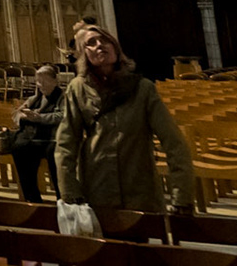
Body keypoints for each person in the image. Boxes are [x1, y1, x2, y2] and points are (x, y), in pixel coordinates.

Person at [56, 24, 195, 213]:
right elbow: (66, 144)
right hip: (98, 190)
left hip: (139, 190)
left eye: (105, 40)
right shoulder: (77, 89)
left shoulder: (142, 88)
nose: (100, 45)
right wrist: (70, 193)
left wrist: (182, 197)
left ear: (116, 47)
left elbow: (173, 142)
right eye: (91, 43)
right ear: (83, 54)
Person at [9, 65, 64, 202]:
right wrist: (22, 116)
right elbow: (16, 114)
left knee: (55, 153)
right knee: (19, 148)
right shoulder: (34, 98)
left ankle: (61, 198)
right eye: (38, 82)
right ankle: (32, 198)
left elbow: (63, 116)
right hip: (34, 138)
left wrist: (40, 118)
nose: (40, 85)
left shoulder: (63, 97)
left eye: (44, 81)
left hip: (53, 138)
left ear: (55, 81)